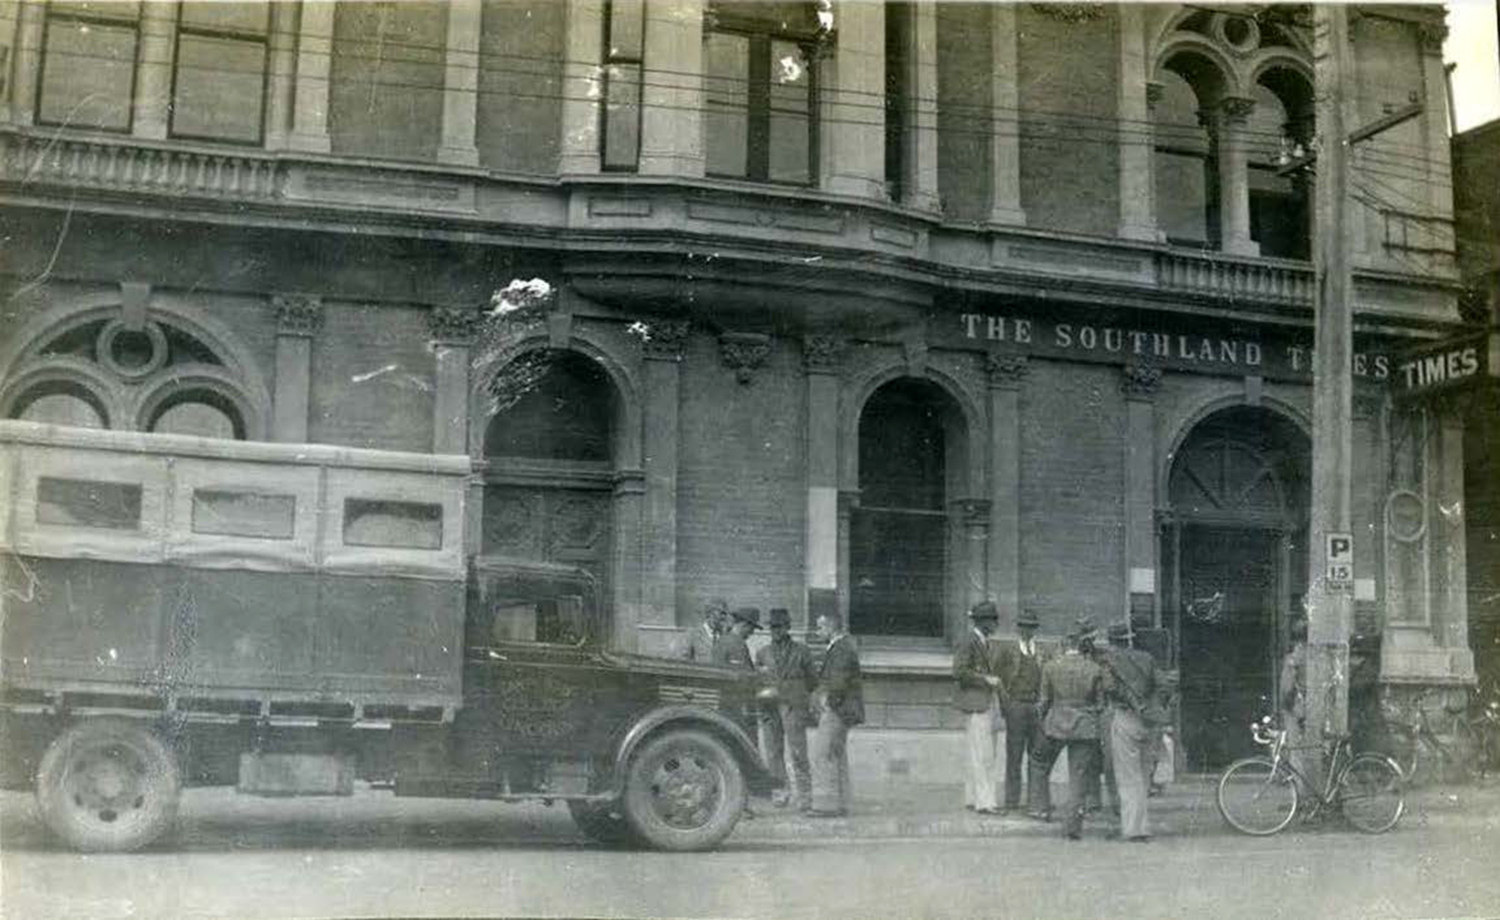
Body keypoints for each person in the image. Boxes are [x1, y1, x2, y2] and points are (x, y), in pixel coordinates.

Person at [1039, 619, 1104, 841]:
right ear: (1082, 644)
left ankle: (1041, 808)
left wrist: (1043, 721)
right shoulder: (1094, 668)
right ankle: (1072, 826)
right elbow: (1100, 704)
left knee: (1040, 765)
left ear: (1064, 642)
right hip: (1085, 725)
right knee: (1079, 776)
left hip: (1055, 723)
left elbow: (1044, 701)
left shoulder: (1050, 667)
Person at [1100, 622, 1159, 842]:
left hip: (1125, 717)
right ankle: (1142, 826)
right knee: (1143, 776)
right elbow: (1161, 685)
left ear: (1111, 641)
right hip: (1149, 721)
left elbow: (1109, 688)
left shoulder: (1110, 660)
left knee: (1127, 777)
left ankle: (1133, 829)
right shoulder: (1147, 658)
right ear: (1130, 638)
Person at [754, 608, 817, 810]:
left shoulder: (802, 651)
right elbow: (757, 681)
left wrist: (800, 696)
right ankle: (780, 791)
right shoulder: (762, 653)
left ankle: (805, 795)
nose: (775, 631)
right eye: (772, 627)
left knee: (798, 751)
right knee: (773, 752)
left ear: (788, 627)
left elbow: (812, 680)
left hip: (793, 706)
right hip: (769, 707)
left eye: (779, 627)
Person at [808, 610, 863, 817]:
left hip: (836, 710)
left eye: (820, 627)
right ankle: (841, 803)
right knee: (836, 754)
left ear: (831, 627)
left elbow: (838, 683)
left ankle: (825, 805)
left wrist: (828, 702)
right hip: (843, 709)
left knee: (823, 754)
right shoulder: (844, 647)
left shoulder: (840, 649)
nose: (817, 632)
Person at [954, 601, 1005, 814]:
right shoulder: (969, 641)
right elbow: (959, 671)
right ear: (982, 622)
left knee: (978, 753)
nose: (995, 624)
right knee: (983, 754)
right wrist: (986, 679)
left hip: (983, 702)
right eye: (992, 620)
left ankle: (973, 798)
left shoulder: (982, 641)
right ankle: (985, 802)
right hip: (977, 704)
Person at [997, 609, 1048, 814]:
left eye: (1031, 627)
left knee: (1036, 755)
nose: (1027, 630)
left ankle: (1035, 800)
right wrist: (1007, 706)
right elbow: (999, 680)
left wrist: (1043, 706)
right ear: (1019, 628)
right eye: (1024, 626)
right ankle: (1012, 800)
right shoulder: (1008, 651)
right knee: (1014, 755)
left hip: (1036, 707)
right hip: (1016, 706)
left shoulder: (1042, 652)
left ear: (1035, 629)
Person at [681, 598, 728, 662]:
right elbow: (684, 660)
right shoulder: (693, 634)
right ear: (710, 613)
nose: (724, 617)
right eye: (721, 613)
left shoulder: (725, 637)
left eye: (725, 614)